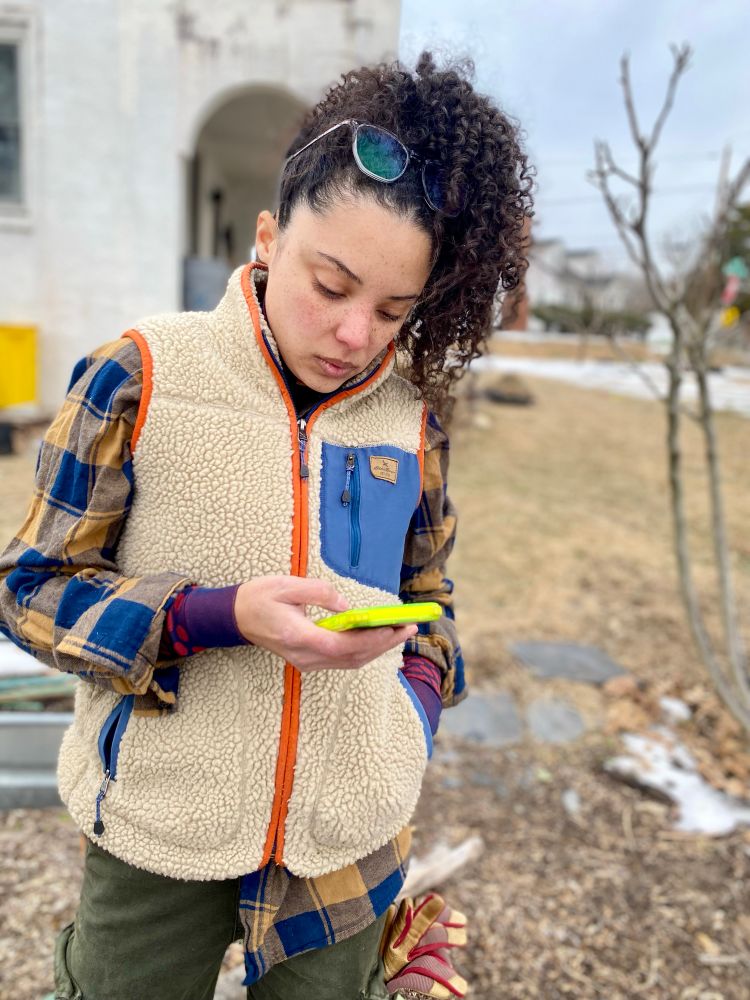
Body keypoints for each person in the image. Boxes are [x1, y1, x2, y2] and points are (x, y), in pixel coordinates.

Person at [0, 51, 532, 1000]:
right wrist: (218, 614)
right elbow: (30, 588)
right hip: (163, 826)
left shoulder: (411, 422)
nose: (355, 335)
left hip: (348, 837)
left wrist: (409, 714)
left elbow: (433, 602)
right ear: (267, 238)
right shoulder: (139, 376)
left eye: (392, 310)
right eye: (331, 286)